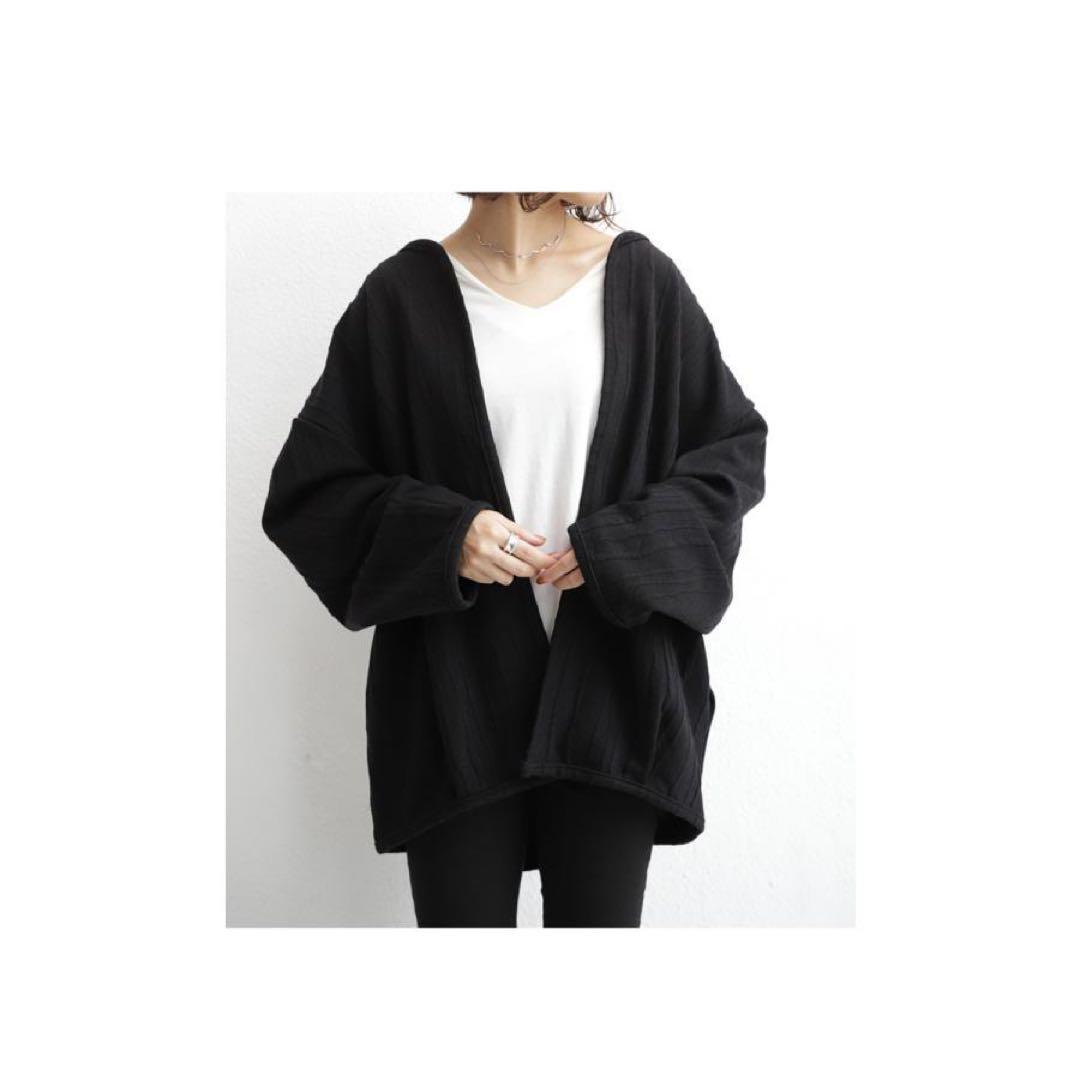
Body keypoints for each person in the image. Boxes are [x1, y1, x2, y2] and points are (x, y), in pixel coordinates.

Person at [262, 193, 768, 927]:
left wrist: (622, 547)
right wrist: (447, 535)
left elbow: (732, 455)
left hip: (614, 696)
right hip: (452, 705)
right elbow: (311, 492)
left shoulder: (644, 284)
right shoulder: (402, 299)